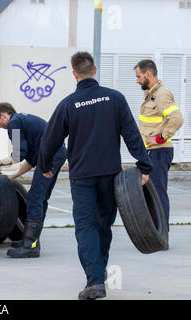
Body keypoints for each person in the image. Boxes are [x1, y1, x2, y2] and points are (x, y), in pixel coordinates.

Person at [39, 52, 153, 300]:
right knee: (102, 225)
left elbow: (49, 140)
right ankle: (98, 277)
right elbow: (131, 134)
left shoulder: (68, 104)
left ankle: (94, 281)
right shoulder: (115, 98)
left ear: (74, 74)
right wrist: (144, 166)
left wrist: (45, 165)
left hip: (82, 177)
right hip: (110, 175)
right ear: (95, 70)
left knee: (85, 227)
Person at [0, 103, 66, 258]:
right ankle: (31, 240)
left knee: (35, 197)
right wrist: (12, 176)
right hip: (56, 155)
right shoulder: (23, 121)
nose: (0, 126)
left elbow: (18, 154)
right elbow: (31, 159)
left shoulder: (14, 122)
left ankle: (31, 244)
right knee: (41, 197)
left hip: (51, 157)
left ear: (4, 115)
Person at [134, 59, 183, 226]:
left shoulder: (161, 94)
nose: (137, 80)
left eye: (139, 76)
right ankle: (155, 231)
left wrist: (160, 138)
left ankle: (161, 234)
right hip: (151, 152)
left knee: (158, 193)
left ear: (148, 74)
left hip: (159, 151)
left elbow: (177, 119)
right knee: (151, 194)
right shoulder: (151, 94)